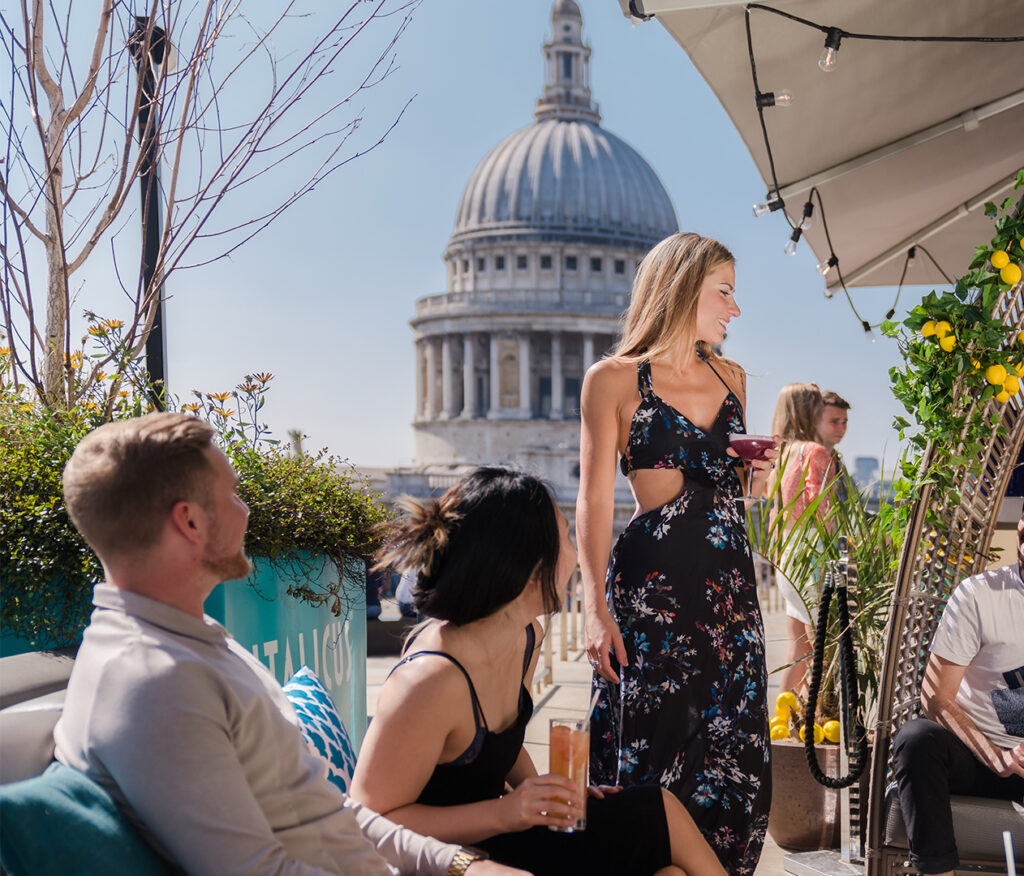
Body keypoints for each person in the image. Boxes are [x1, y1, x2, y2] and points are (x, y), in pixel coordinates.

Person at [54, 412, 524, 876]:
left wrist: (461, 864)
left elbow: (329, 812)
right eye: (232, 495)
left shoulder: (192, 646)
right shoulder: (157, 683)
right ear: (191, 522)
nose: (246, 510)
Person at [349, 467, 726, 876]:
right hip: (455, 861)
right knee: (659, 823)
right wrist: (506, 812)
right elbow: (369, 822)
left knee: (664, 840)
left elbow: (495, 749)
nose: (576, 552)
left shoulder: (526, 637)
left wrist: (553, 798)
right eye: (566, 537)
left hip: (504, 834)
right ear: (530, 570)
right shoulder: (428, 682)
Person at [576, 232, 776, 875]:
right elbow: (594, 503)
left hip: (729, 600)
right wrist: (592, 606)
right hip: (651, 597)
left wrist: (762, 480)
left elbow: (740, 495)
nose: (734, 309)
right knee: (649, 752)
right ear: (684, 288)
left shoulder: (734, 377)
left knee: (733, 759)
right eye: (724, 292)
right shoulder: (610, 381)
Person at [892, 512, 1024, 876]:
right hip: (978, 759)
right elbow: (935, 696)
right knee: (917, 739)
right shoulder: (980, 595)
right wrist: (998, 757)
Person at [768, 383, 834, 697]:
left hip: (788, 555)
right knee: (823, 648)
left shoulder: (779, 455)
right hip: (813, 554)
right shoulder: (814, 452)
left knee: (800, 648)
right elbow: (823, 511)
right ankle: (817, 720)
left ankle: (784, 722)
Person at [819, 391, 852, 501]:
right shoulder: (804, 458)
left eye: (844, 422)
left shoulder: (838, 461)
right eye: (834, 422)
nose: (841, 428)